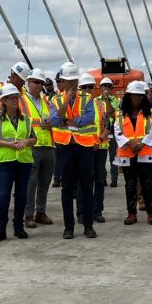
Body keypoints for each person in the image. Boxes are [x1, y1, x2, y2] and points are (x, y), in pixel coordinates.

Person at [49, 62, 97, 239]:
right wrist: (67, 100)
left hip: (84, 146)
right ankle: (68, 226)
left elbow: (90, 117)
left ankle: (88, 225)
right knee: (67, 188)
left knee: (86, 186)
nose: (73, 84)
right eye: (69, 81)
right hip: (65, 147)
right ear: (63, 81)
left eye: (74, 80)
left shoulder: (87, 97)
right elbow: (55, 120)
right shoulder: (55, 99)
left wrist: (74, 121)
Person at [0, 83, 36, 243]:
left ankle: (18, 228)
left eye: (16, 97)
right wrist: (9, 145)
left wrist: (26, 141)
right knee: (3, 197)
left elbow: (34, 138)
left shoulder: (26, 119)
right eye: (11, 98)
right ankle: (0, 230)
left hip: (24, 161)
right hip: (6, 161)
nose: (15, 100)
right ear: (3, 101)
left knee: (21, 196)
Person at [115, 81, 152, 225]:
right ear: (129, 96)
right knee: (130, 185)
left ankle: (151, 214)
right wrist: (130, 143)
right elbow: (117, 132)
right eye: (134, 96)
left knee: (147, 184)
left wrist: (141, 144)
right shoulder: (120, 115)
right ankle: (131, 214)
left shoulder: (149, 114)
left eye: (140, 96)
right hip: (128, 154)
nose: (137, 99)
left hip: (145, 154)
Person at [22, 69, 55, 228]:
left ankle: (40, 212)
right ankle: (28, 214)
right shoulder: (21, 101)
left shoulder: (46, 102)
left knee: (44, 182)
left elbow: (55, 121)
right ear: (28, 82)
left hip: (48, 145)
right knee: (31, 182)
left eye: (41, 83)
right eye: (36, 82)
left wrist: (52, 125)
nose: (39, 85)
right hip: (31, 147)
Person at [76, 73, 109, 224]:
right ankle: (82, 212)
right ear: (79, 88)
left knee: (100, 180)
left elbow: (108, 125)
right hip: (83, 147)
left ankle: (97, 211)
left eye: (90, 87)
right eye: (84, 87)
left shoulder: (100, 105)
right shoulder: (76, 106)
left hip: (100, 147)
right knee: (84, 180)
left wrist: (100, 140)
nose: (88, 89)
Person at [98, 77, 120, 187]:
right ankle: (102, 178)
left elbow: (112, 112)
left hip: (111, 130)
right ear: (101, 87)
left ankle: (114, 179)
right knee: (101, 156)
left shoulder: (114, 100)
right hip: (101, 131)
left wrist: (106, 99)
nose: (106, 87)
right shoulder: (96, 100)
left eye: (108, 86)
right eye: (104, 85)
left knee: (113, 156)